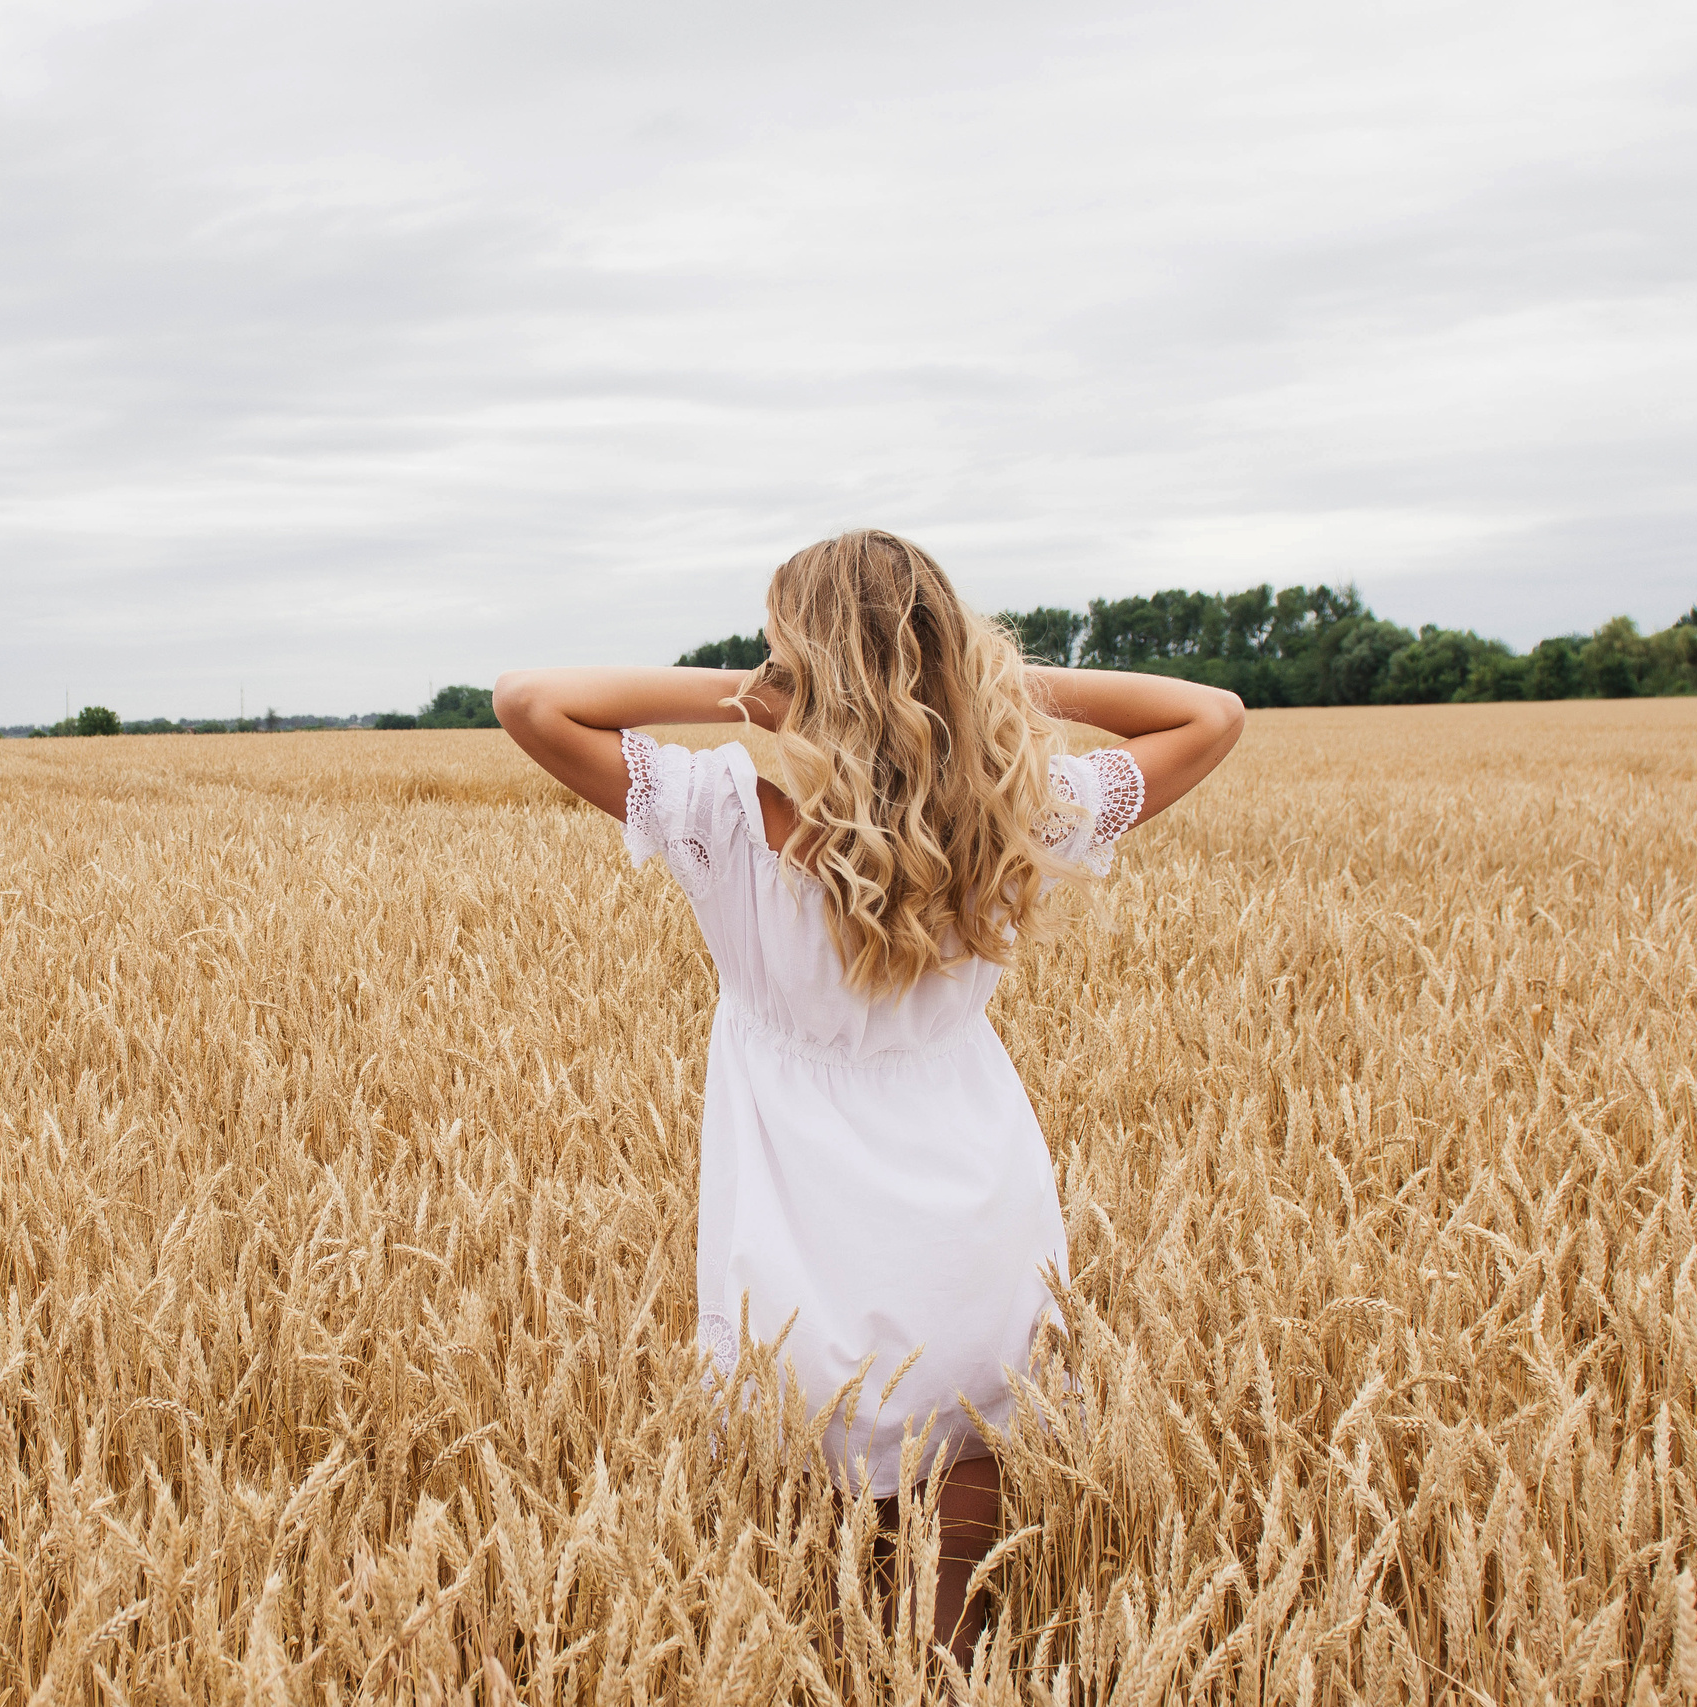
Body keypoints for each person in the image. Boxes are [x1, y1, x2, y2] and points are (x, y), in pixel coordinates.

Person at [494, 529, 1243, 1666]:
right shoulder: (1013, 801)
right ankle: (946, 1666)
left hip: (796, 1178)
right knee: (966, 1419)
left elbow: (529, 700)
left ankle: (833, 1666)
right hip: (969, 1162)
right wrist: (965, 684)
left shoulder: (723, 809)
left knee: (818, 1434)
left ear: (796, 662)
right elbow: (1211, 714)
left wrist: (760, 699)